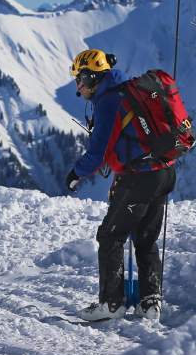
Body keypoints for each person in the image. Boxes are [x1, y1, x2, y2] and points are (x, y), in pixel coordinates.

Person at [65, 49, 176, 321]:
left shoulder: (108, 101)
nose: (79, 87)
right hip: (164, 171)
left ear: (92, 77)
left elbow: (97, 152)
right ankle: (150, 302)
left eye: (80, 80)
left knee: (110, 236)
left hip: (138, 177)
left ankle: (111, 304)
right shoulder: (128, 90)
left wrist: (75, 173)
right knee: (146, 237)